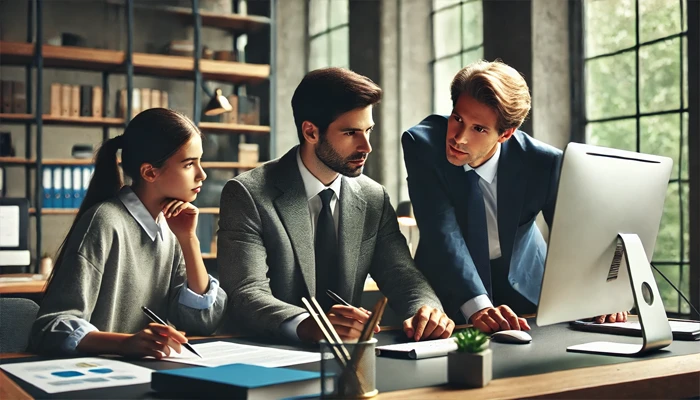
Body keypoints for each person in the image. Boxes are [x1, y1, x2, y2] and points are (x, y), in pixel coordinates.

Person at [218, 67, 454, 343]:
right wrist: (307, 324)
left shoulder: (373, 196)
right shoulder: (248, 194)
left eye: (368, 130)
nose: (366, 146)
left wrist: (426, 310)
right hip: (269, 353)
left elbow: (402, 274)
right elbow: (246, 293)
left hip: (351, 356)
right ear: (311, 132)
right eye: (351, 132)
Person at [402, 60, 626, 333]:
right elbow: (443, 232)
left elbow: (575, 238)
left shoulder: (543, 163)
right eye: (458, 119)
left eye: (478, 129)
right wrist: (479, 307)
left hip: (529, 293)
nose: (458, 138)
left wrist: (604, 293)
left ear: (505, 134)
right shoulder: (423, 146)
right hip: (450, 295)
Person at [30, 108, 227, 357]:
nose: (202, 174)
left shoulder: (172, 227)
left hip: (147, 370)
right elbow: (50, 328)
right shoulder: (105, 222)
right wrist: (124, 343)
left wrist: (189, 240)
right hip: (95, 376)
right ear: (149, 172)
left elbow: (202, 322)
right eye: (189, 164)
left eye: (200, 161)